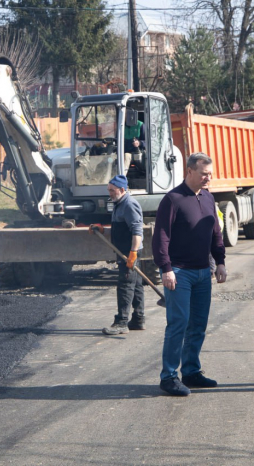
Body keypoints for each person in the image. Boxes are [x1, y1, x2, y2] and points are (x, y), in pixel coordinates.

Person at [152, 152, 227, 397]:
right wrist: (166, 269)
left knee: (198, 325)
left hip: (203, 272)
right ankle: (169, 376)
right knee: (178, 324)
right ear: (190, 171)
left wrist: (220, 262)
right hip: (179, 272)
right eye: (204, 174)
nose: (208, 178)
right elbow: (160, 237)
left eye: (210, 174)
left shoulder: (208, 198)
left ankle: (192, 372)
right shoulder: (173, 199)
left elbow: (215, 232)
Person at [89, 175, 145, 335]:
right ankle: (138, 319)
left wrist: (133, 253)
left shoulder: (129, 204)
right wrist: (102, 230)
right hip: (126, 251)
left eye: (112, 190)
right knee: (136, 285)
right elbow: (120, 229)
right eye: (109, 190)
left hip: (129, 252)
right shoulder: (119, 203)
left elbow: (137, 231)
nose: (110, 193)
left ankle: (121, 322)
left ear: (122, 189)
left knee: (125, 285)